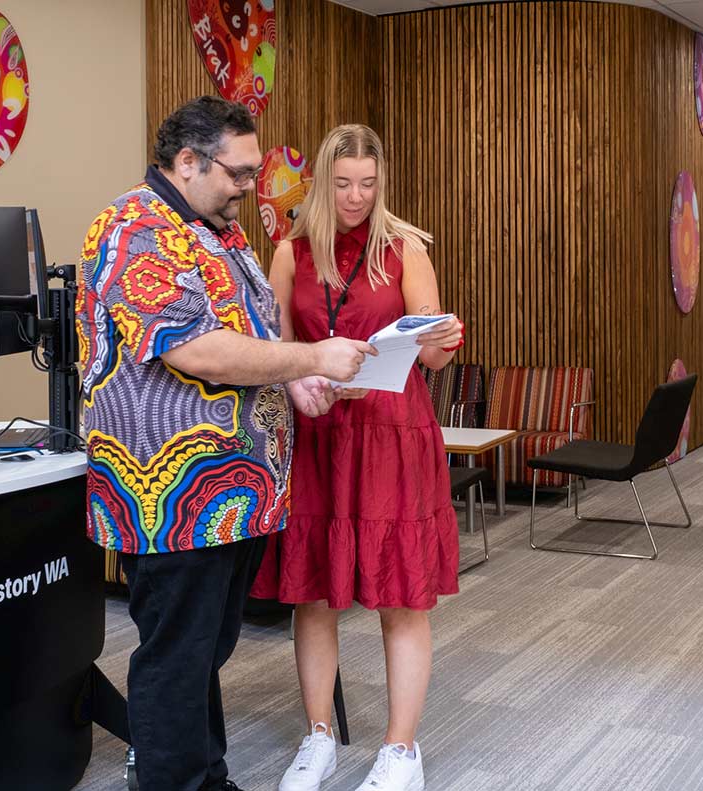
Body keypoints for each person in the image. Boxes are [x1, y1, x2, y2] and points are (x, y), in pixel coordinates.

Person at [77, 96, 377, 791]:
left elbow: (254, 339)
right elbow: (197, 351)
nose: (250, 185)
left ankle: (203, 774)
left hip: (237, 491)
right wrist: (311, 360)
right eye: (238, 172)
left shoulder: (221, 231)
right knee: (178, 654)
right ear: (187, 161)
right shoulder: (133, 228)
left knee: (206, 646)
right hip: (173, 493)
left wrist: (293, 385)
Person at [254, 124, 464, 791]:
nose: (355, 197)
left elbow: (431, 351)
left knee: (401, 594)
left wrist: (445, 337)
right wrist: (297, 377)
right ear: (322, 180)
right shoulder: (290, 251)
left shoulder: (405, 249)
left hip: (391, 434)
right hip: (318, 433)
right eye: (343, 183)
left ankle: (401, 749)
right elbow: (273, 348)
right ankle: (318, 736)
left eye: (368, 184)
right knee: (314, 593)